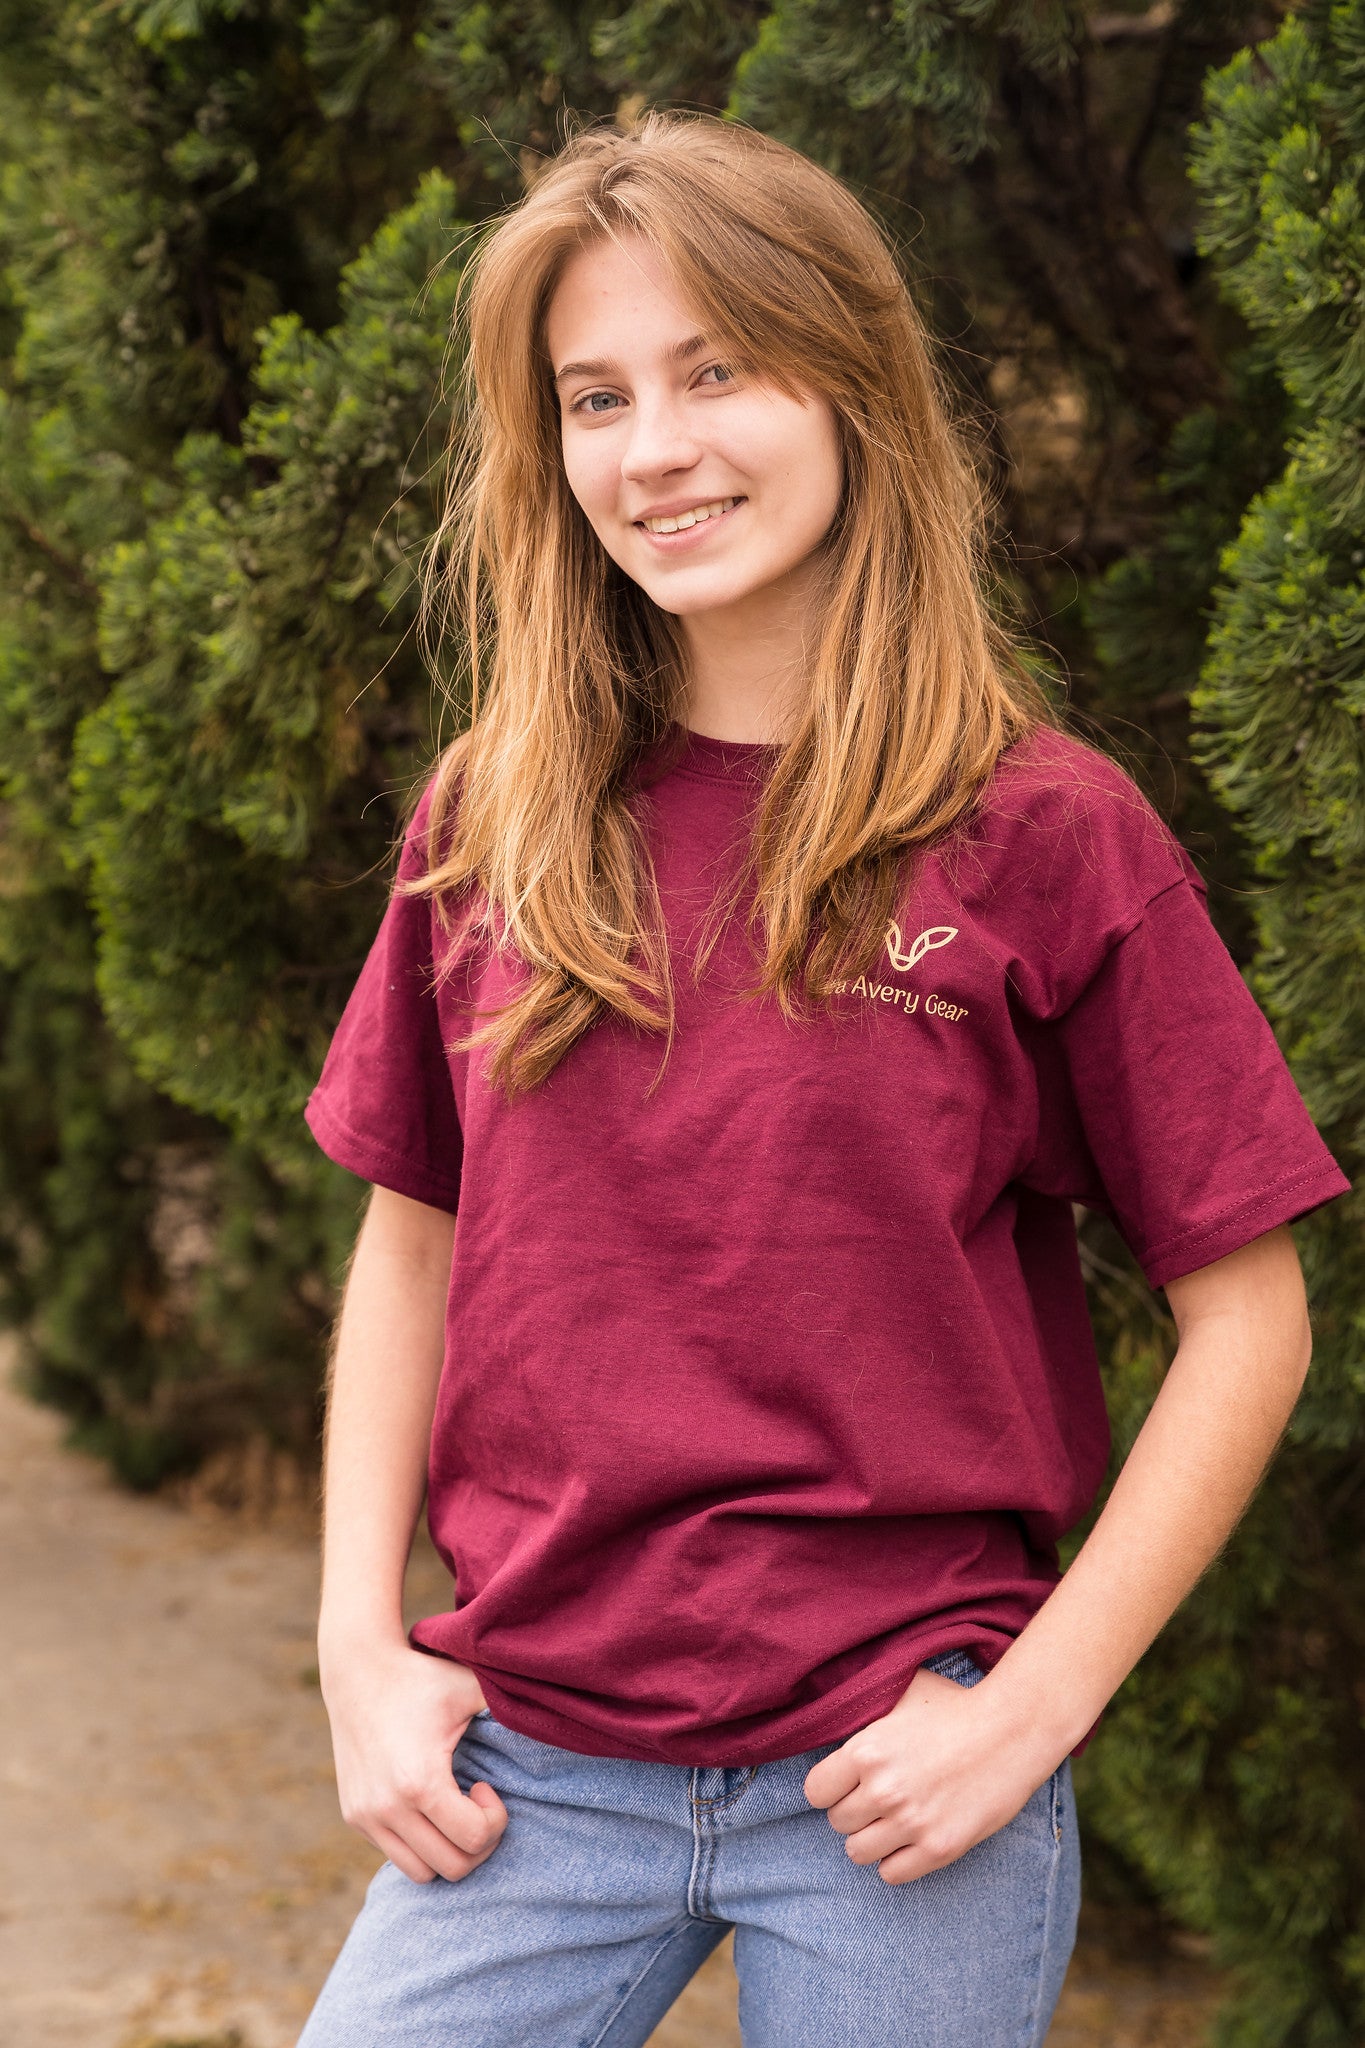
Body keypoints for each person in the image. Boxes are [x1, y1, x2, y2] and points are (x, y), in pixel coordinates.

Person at [296, 112, 1348, 2048]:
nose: (654, 445)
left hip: (895, 1783)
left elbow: (1246, 1316)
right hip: (527, 1762)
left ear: (851, 381)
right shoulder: (495, 816)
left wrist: (1032, 1705)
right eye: (592, 396)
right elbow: (408, 1241)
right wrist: (359, 1643)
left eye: (717, 369)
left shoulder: (1041, 834)